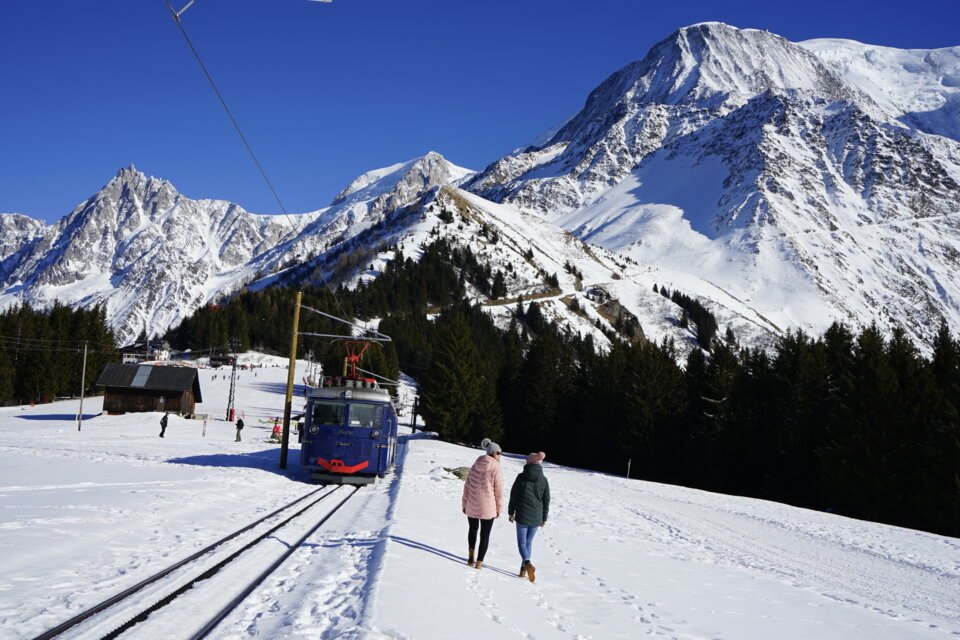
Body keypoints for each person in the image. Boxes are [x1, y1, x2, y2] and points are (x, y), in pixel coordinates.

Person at [461, 437, 504, 570]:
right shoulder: (496, 468)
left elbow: (467, 486)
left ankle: (470, 557)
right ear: (493, 453)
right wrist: (499, 508)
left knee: (472, 530)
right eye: (499, 453)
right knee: (485, 535)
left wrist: (464, 503)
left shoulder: (475, 465)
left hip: (472, 503)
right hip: (488, 506)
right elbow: (499, 491)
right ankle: (479, 562)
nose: (500, 456)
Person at [508, 451, 550, 583]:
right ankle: (523, 571)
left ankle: (527, 562)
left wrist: (511, 512)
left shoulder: (521, 477)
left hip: (522, 513)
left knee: (521, 543)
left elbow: (513, 495)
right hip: (536, 516)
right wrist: (544, 518)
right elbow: (546, 500)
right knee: (528, 542)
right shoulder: (544, 479)